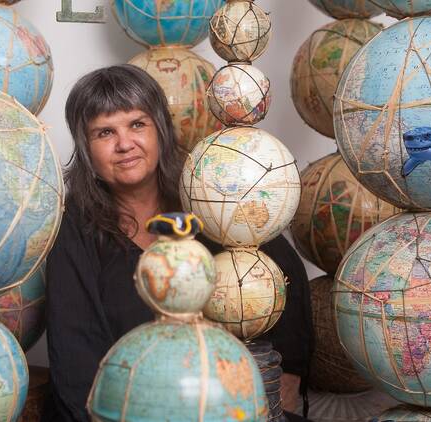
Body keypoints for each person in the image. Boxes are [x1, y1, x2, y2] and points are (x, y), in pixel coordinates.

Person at [43, 64, 313, 422]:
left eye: (137, 124)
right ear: (86, 147)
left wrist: (287, 383)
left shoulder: (209, 197)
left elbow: (282, 274)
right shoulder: (75, 228)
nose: (125, 144)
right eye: (105, 132)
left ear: (161, 130)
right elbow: (74, 360)